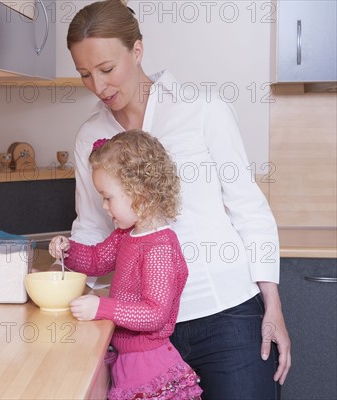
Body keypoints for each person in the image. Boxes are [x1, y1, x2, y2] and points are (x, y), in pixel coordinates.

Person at [63, 1, 291, 399]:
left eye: (106, 69)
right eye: (85, 74)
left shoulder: (202, 110)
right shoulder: (90, 135)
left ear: (137, 50)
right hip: (139, 337)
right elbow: (92, 227)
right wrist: (66, 276)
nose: (98, 87)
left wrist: (272, 304)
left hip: (226, 317)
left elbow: (248, 209)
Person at [50, 130, 203, 400]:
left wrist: (102, 307)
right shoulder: (126, 235)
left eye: (108, 197)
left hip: (149, 366)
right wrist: (68, 251)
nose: (104, 206)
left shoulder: (159, 247)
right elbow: (97, 260)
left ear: (140, 195)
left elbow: (154, 314)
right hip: (128, 361)